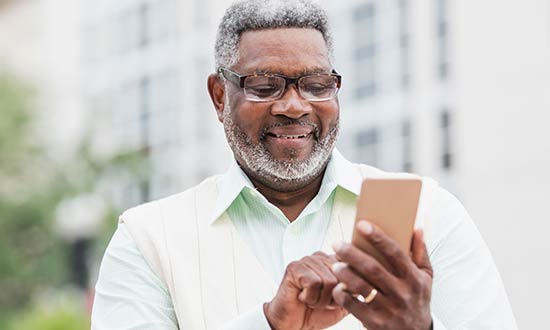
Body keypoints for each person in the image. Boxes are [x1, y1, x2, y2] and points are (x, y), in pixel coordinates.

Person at [91, 0, 518, 329]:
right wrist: (270, 324)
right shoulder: (148, 239)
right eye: (264, 86)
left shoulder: (429, 213)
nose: (295, 106)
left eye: (316, 85)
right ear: (219, 96)